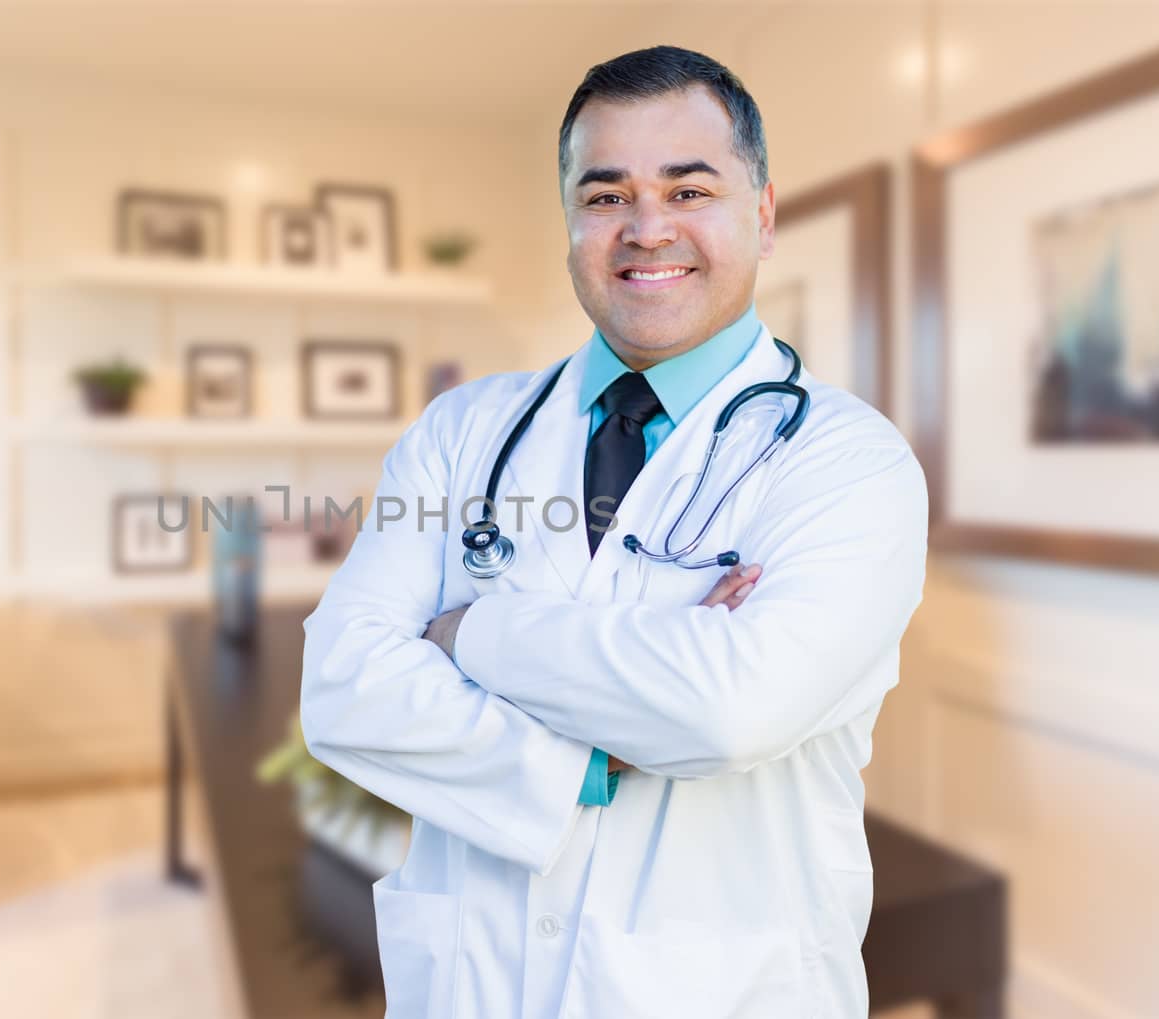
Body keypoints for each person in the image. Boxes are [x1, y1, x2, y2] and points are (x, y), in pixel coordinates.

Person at [301, 45, 927, 1019]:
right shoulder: (462, 431)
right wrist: (585, 758)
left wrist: (468, 634)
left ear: (760, 213)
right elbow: (341, 682)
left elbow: (729, 708)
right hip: (475, 982)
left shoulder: (847, 461)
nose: (645, 228)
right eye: (605, 196)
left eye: (688, 189)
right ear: (570, 223)